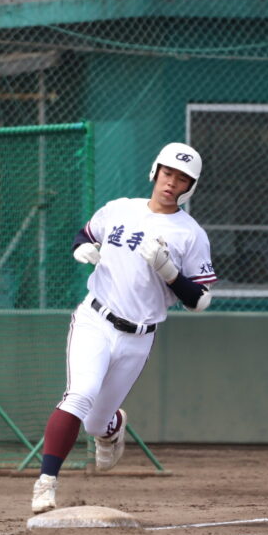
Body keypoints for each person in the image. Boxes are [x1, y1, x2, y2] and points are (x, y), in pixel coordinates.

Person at [31, 142, 217, 514]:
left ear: (190, 187)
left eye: (182, 179)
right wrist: (81, 249)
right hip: (95, 319)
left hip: (138, 336)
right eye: (167, 173)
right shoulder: (120, 209)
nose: (171, 183)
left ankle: (112, 425)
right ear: (155, 171)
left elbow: (200, 300)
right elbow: (86, 235)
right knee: (79, 395)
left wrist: (169, 271)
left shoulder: (190, 234)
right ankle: (46, 483)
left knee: (95, 422)